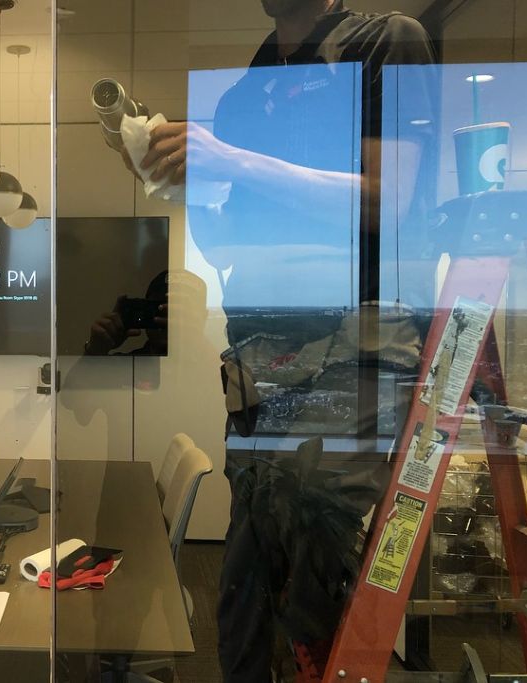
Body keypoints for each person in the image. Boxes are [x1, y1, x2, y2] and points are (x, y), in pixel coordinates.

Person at [133, 1, 437, 680]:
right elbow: (229, 240)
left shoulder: (384, 40)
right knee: (246, 579)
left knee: (321, 560)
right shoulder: (252, 85)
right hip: (260, 341)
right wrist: (176, 184)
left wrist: (231, 157)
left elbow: (390, 199)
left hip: (354, 327)